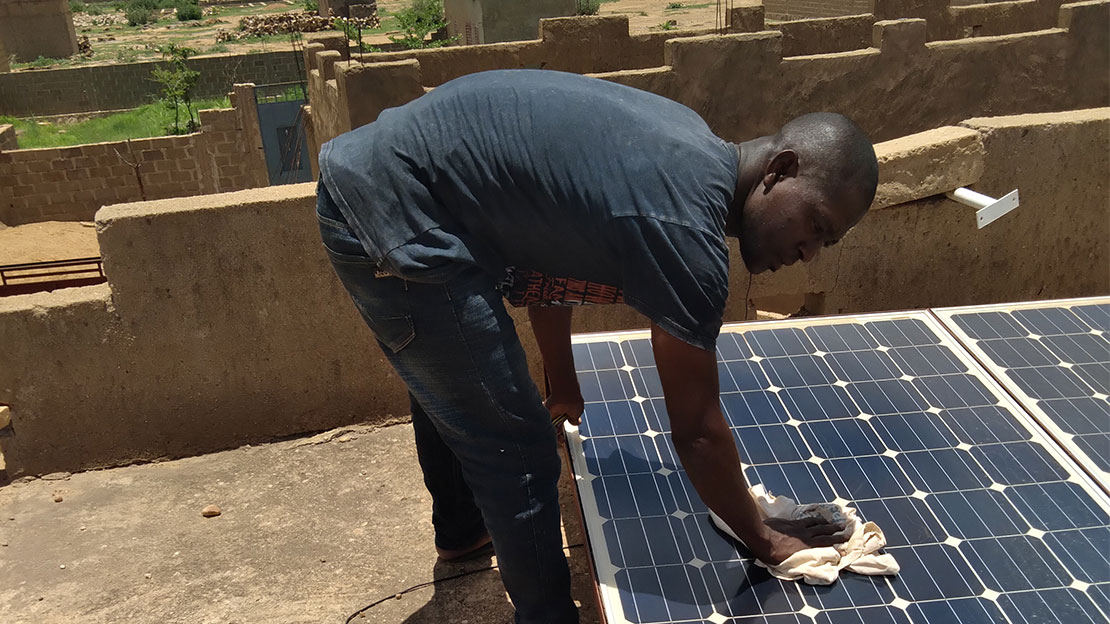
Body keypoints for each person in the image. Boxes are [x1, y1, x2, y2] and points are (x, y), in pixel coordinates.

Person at [315, 69, 879, 624]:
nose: (809, 254)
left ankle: (462, 530)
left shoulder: (691, 145)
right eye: (815, 223)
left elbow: (550, 246)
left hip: (391, 179)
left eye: (826, 243)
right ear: (779, 170)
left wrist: (562, 380)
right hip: (396, 210)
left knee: (452, 375)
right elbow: (697, 430)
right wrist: (767, 539)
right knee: (516, 450)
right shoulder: (687, 233)